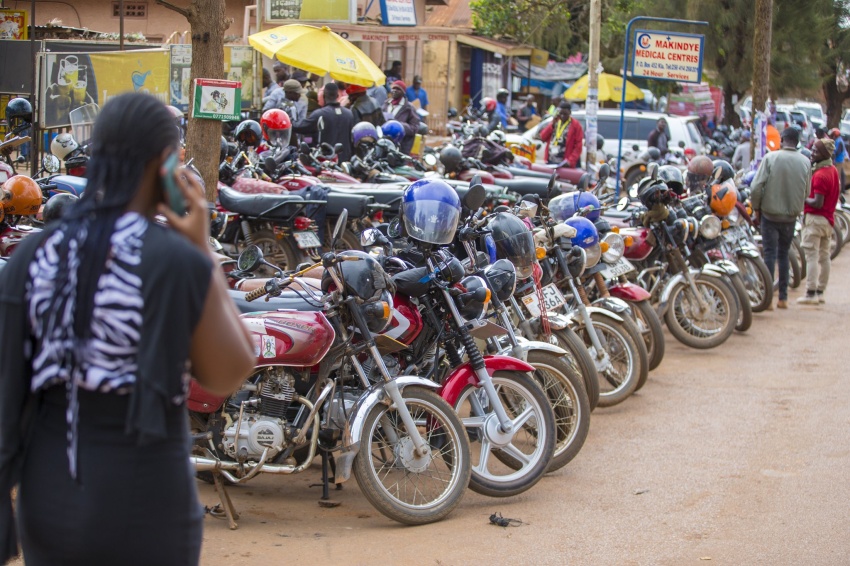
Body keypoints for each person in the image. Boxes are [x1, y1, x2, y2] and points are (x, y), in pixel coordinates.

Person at [0, 93, 255, 565]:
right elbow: (229, 372)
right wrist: (200, 248)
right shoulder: (173, 259)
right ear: (165, 167)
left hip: (52, 498)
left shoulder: (31, 259)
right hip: (147, 501)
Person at [750, 127, 811, 309]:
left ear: (782, 140)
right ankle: (783, 298)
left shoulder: (771, 158)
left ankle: (767, 299)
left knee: (769, 254)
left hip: (770, 215)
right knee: (783, 254)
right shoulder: (805, 162)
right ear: (798, 141)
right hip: (791, 217)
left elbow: (755, 188)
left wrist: (756, 209)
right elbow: (806, 191)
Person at [798, 137, 841, 305]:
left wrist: (803, 198)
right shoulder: (832, 170)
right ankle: (821, 291)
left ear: (823, 154)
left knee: (811, 257)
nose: (812, 153)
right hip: (828, 220)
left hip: (816, 220)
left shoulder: (820, 175)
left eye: (815, 151)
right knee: (824, 257)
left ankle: (810, 293)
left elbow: (817, 202)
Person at [292, 82, 355, 161]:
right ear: (337, 96)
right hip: (345, 162)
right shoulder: (349, 114)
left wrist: (288, 120)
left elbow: (299, 127)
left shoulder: (319, 114)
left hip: (326, 161)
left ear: (324, 96)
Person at [538, 101, 584, 168]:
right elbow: (543, 137)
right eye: (561, 114)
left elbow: (578, 146)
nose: (562, 116)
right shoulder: (555, 122)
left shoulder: (576, 125)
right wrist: (552, 124)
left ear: (570, 112)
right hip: (551, 160)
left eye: (565, 114)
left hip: (565, 162)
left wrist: (570, 161)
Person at [381, 80, 420, 154]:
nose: (395, 91)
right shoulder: (386, 104)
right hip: (385, 143)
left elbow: (414, 128)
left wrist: (398, 125)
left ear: (403, 92)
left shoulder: (409, 108)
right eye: (393, 88)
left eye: (398, 89)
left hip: (401, 146)